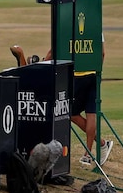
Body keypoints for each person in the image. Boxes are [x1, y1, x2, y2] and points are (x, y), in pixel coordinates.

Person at [44, 37, 112, 167]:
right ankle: (89, 153)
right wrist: (98, 72)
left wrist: (44, 64)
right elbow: (102, 53)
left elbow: (54, 51)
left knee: (71, 113)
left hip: (78, 75)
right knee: (91, 113)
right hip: (94, 74)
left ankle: (100, 145)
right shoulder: (96, 27)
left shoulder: (69, 25)